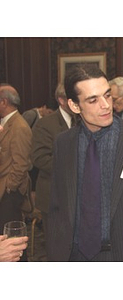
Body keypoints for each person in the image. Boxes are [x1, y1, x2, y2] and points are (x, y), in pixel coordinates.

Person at [47, 64, 123, 261]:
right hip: (74, 256)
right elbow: (56, 208)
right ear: (75, 106)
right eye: (93, 100)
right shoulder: (64, 143)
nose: (106, 105)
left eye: (107, 95)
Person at [31, 83, 75, 257]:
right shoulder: (45, 124)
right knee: (56, 247)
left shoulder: (82, 120)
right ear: (62, 100)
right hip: (53, 195)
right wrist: (74, 166)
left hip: (78, 196)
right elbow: (39, 158)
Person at [0, 83, 32, 262]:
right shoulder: (6, 123)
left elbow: (21, 164)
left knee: (14, 242)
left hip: (10, 194)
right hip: (4, 191)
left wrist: (10, 189)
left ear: (4, 102)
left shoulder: (19, 126)